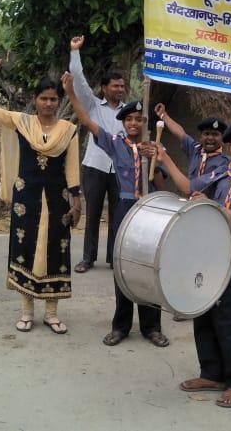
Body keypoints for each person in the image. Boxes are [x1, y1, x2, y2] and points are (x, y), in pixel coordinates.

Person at [158, 120, 231, 408]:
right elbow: (189, 188)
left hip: (230, 252)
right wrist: (167, 161)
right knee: (202, 310)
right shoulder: (221, 173)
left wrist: (218, 208)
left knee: (224, 317)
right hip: (206, 249)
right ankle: (211, 373)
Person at [63, 70, 170, 348]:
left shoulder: (153, 147)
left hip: (148, 209)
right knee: (122, 267)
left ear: (144, 122)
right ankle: (120, 326)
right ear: (123, 124)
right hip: (124, 208)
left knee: (148, 266)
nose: (134, 123)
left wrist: (156, 159)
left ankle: (152, 327)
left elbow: (159, 183)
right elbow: (86, 119)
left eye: (138, 119)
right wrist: (72, 93)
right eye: (129, 119)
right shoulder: (115, 144)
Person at [0, 58, 81, 334]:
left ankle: (51, 313)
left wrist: (77, 200)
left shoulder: (68, 130)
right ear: (35, 100)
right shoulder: (21, 122)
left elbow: (72, 167)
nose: (48, 103)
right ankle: (26, 312)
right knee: (26, 250)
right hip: (27, 200)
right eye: (44, 98)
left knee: (55, 253)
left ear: (58, 101)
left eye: (53, 99)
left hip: (58, 201)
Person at [69, 35, 127, 273]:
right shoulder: (92, 105)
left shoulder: (130, 112)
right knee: (92, 214)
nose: (120, 90)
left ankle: (115, 258)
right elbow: (79, 81)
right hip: (95, 166)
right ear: (104, 88)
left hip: (119, 169)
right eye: (115, 86)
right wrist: (75, 52)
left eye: (122, 86)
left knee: (118, 215)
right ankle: (87, 258)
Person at [154, 103, 230, 180]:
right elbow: (180, 133)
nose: (210, 138)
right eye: (206, 134)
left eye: (215, 134)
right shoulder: (195, 150)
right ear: (201, 137)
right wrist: (163, 115)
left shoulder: (226, 163)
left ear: (222, 139)